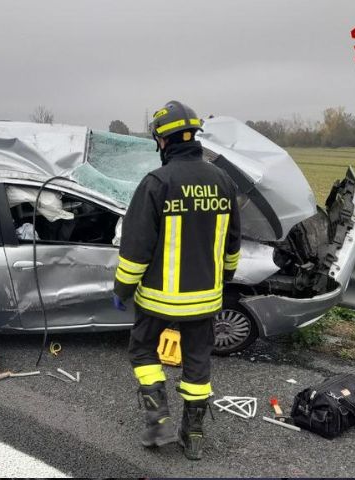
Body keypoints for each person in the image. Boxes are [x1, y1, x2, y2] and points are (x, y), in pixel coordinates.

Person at [113, 100, 241, 460]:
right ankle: (194, 434)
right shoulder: (223, 182)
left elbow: (136, 249)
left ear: (162, 141)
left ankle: (159, 419)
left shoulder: (157, 182)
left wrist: (121, 289)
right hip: (205, 299)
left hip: (157, 298)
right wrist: (222, 278)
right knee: (197, 361)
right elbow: (233, 245)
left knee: (142, 350)